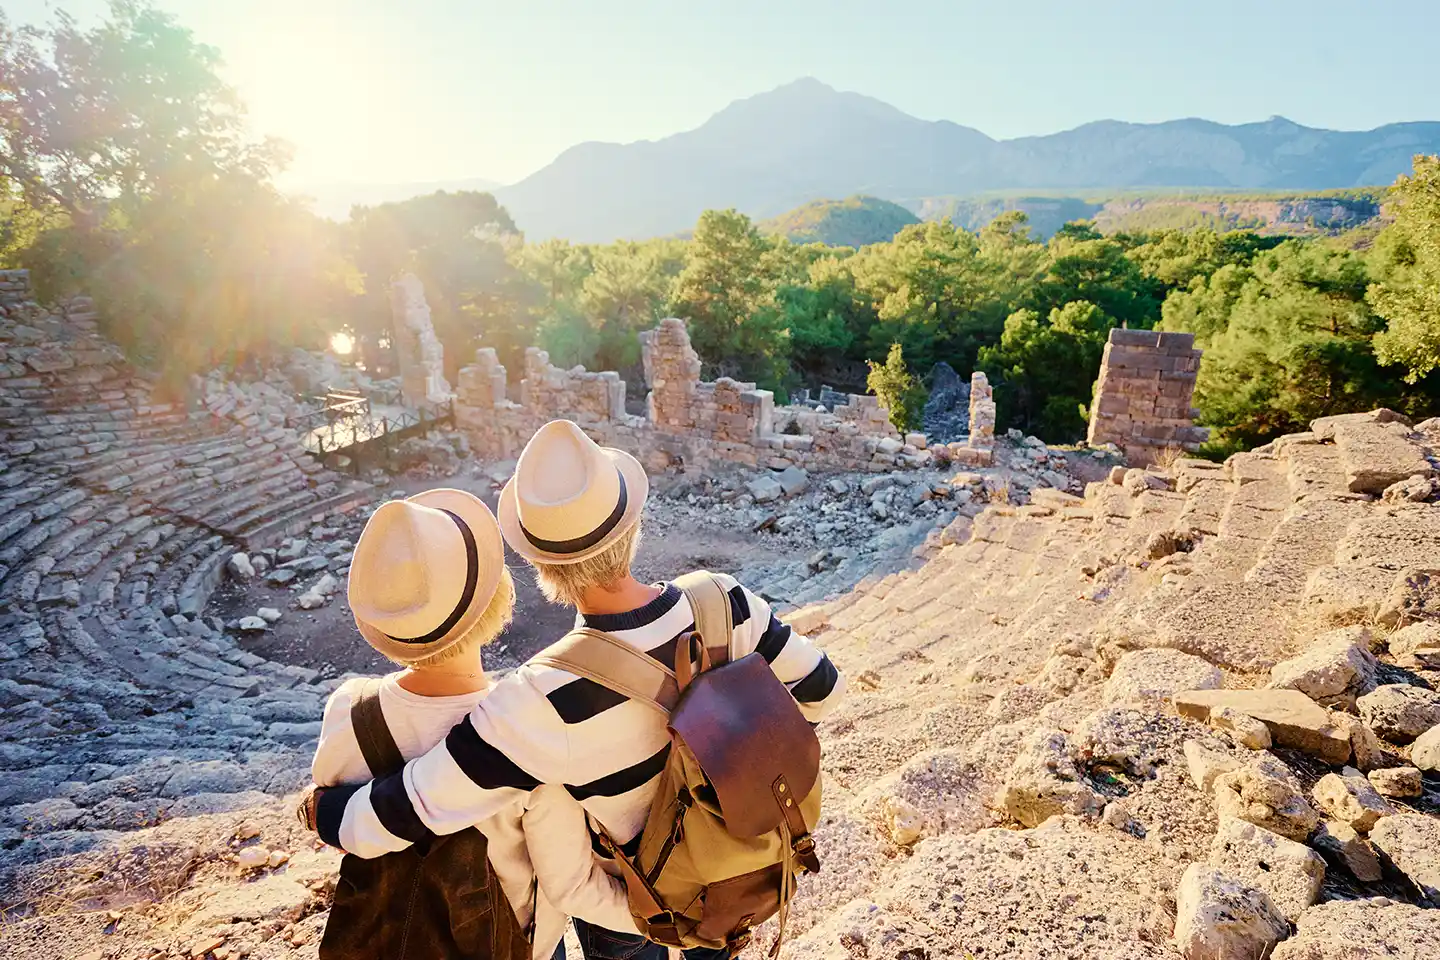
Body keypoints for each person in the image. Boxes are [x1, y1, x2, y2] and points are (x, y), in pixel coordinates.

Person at [304, 420, 846, 960]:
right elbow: (822, 689)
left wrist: (323, 813)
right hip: (748, 865)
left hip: (648, 902)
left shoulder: (537, 699)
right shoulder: (725, 600)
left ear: (540, 563)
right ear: (631, 522)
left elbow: (412, 806)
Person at [312, 487, 636, 959]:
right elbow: (569, 886)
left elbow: (341, 820)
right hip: (507, 942)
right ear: (495, 600)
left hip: (390, 934)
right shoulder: (527, 726)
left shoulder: (349, 708)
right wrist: (675, 922)